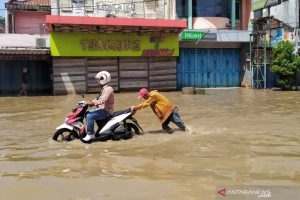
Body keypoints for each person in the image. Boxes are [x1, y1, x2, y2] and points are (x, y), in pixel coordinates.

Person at [83, 71, 114, 141]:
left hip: (106, 111)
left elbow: (102, 100)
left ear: (103, 79)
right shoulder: (104, 89)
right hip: (102, 110)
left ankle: (91, 134)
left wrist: (92, 103)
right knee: (87, 113)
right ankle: (96, 130)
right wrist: (89, 102)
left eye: (98, 79)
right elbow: (97, 99)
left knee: (90, 116)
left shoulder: (109, 89)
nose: (97, 81)